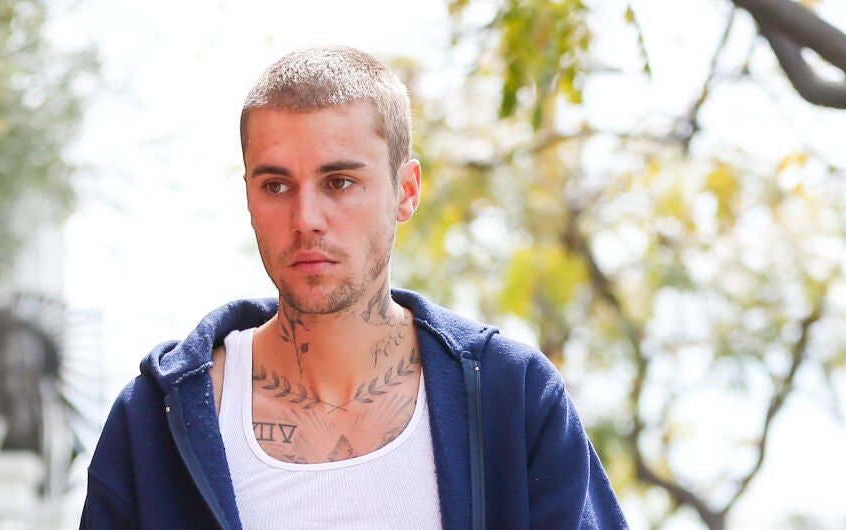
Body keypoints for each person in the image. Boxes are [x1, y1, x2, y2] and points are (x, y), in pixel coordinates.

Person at [80, 45, 629, 529]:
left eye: (339, 182)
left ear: (405, 191)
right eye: (276, 186)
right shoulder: (155, 423)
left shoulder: (511, 396)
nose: (306, 219)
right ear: (248, 193)